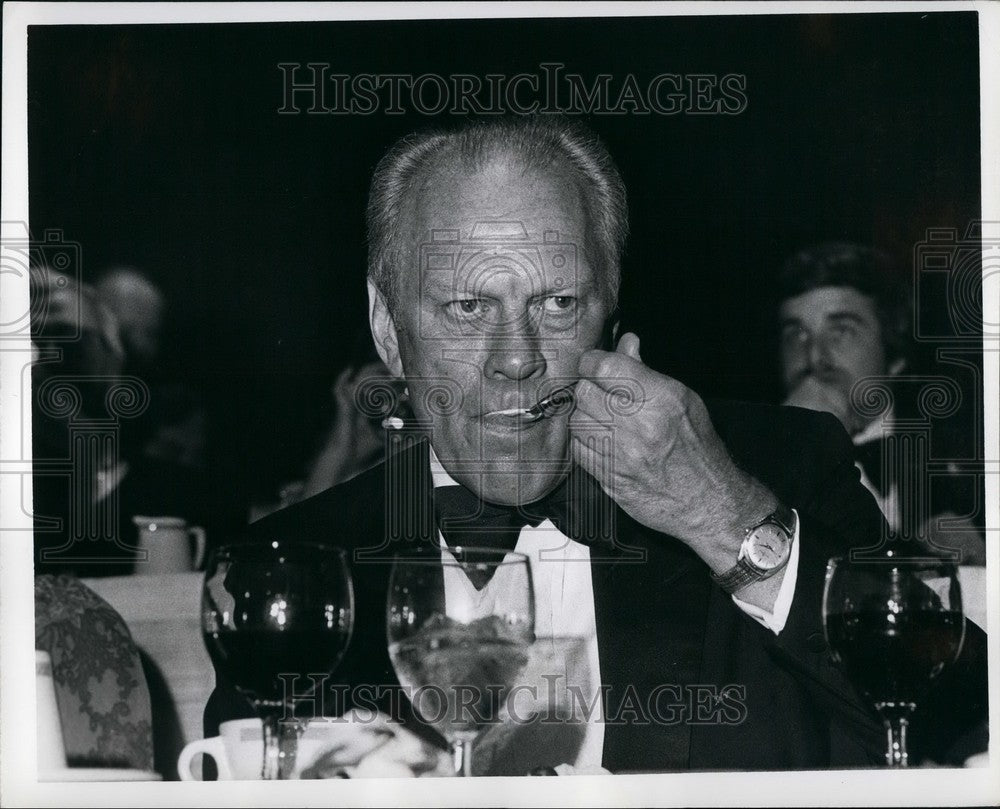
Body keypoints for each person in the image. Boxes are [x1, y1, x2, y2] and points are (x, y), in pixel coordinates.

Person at [206, 117, 986, 773]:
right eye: (468, 304)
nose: (517, 357)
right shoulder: (292, 567)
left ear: (611, 315)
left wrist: (722, 517)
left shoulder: (774, 464)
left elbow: (961, 719)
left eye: (558, 301)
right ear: (389, 330)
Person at [776, 242, 986, 565]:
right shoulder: (752, 457)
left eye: (841, 331)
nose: (815, 357)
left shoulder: (969, 452)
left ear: (895, 354)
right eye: (796, 335)